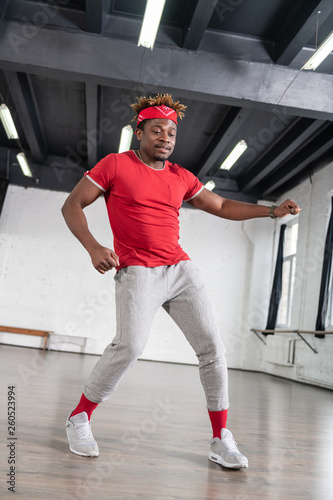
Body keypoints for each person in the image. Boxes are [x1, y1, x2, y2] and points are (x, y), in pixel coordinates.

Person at [62, 94, 301, 469]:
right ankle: (79, 417)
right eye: (156, 130)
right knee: (129, 347)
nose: (165, 137)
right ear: (138, 132)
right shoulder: (115, 165)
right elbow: (72, 205)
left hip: (180, 270)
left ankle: (221, 438)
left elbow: (221, 206)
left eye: (171, 132)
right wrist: (93, 247)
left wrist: (271, 210)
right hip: (138, 271)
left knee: (213, 349)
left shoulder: (180, 176)